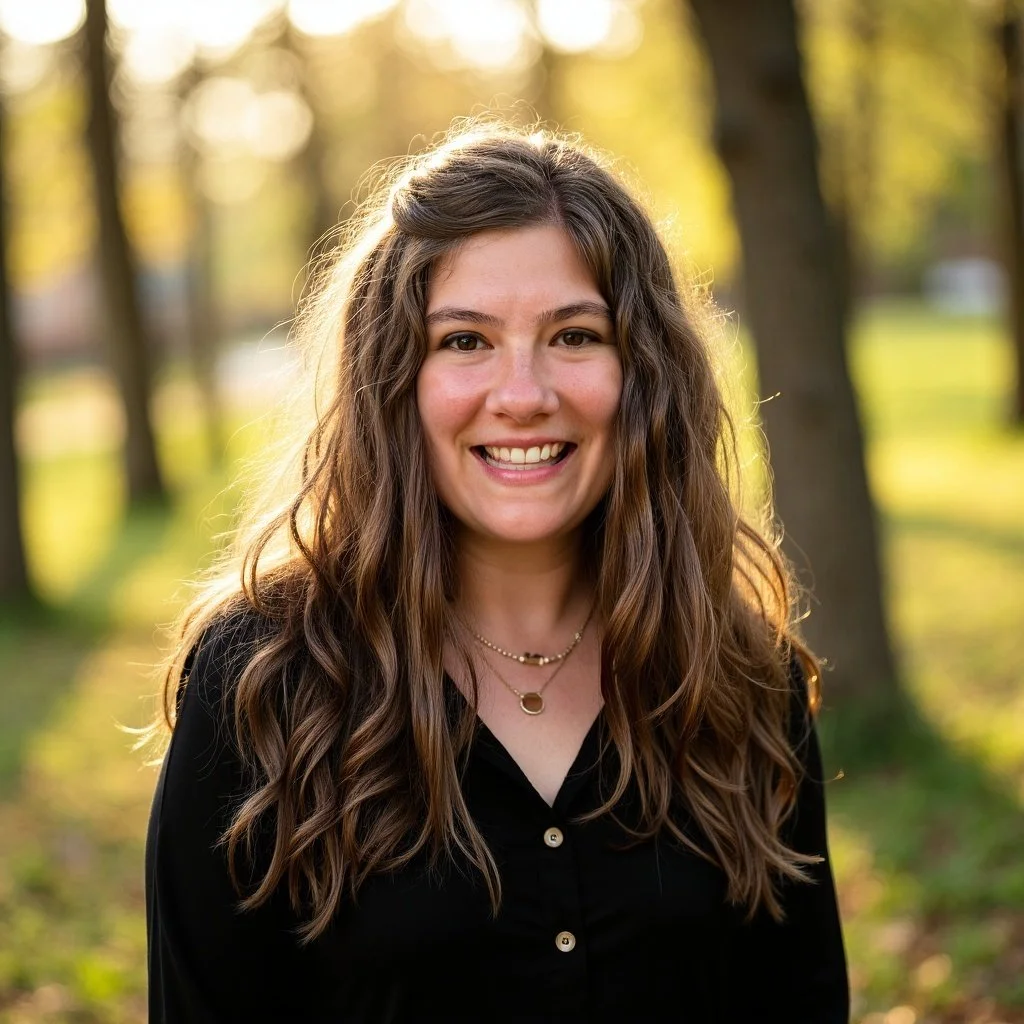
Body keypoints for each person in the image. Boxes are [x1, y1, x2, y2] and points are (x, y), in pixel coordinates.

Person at [145, 121, 849, 1023]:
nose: (522, 395)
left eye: (575, 335)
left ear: (645, 373)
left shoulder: (744, 677)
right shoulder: (265, 685)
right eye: (466, 341)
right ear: (392, 378)